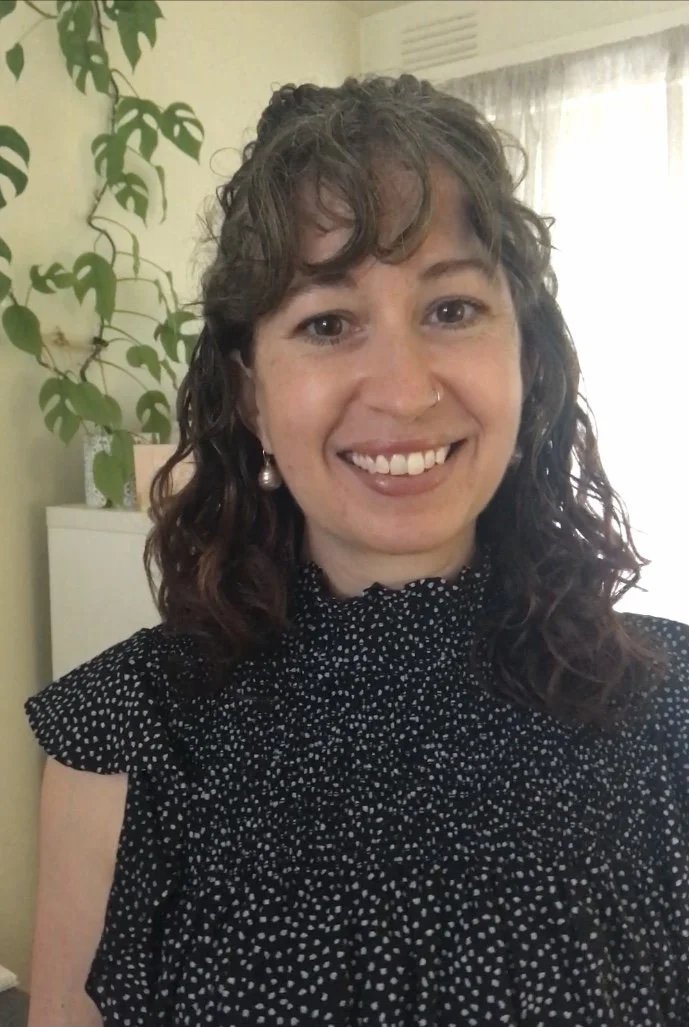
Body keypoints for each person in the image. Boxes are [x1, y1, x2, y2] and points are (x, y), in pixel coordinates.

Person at [24, 74, 689, 1027]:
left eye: (451, 308)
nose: (404, 390)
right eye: (327, 323)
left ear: (526, 358)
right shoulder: (122, 742)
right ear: (249, 394)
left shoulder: (668, 709)